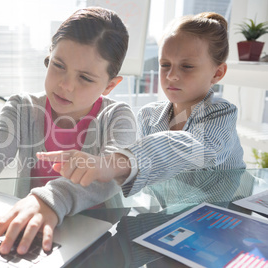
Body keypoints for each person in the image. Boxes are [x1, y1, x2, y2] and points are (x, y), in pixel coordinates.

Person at [26, 11, 246, 252]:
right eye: (165, 65)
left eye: (187, 66)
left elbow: (193, 147)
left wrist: (113, 162)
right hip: (169, 223)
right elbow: (131, 171)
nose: (171, 75)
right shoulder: (148, 115)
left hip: (221, 224)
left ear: (218, 73)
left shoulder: (221, 113)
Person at [0, 7, 136, 254]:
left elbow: (108, 175)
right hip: (34, 226)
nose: (65, 85)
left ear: (110, 85)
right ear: (49, 57)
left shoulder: (118, 117)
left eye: (85, 78)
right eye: (58, 65)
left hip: (101, 237)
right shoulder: (22, 106)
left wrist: (50, 199)